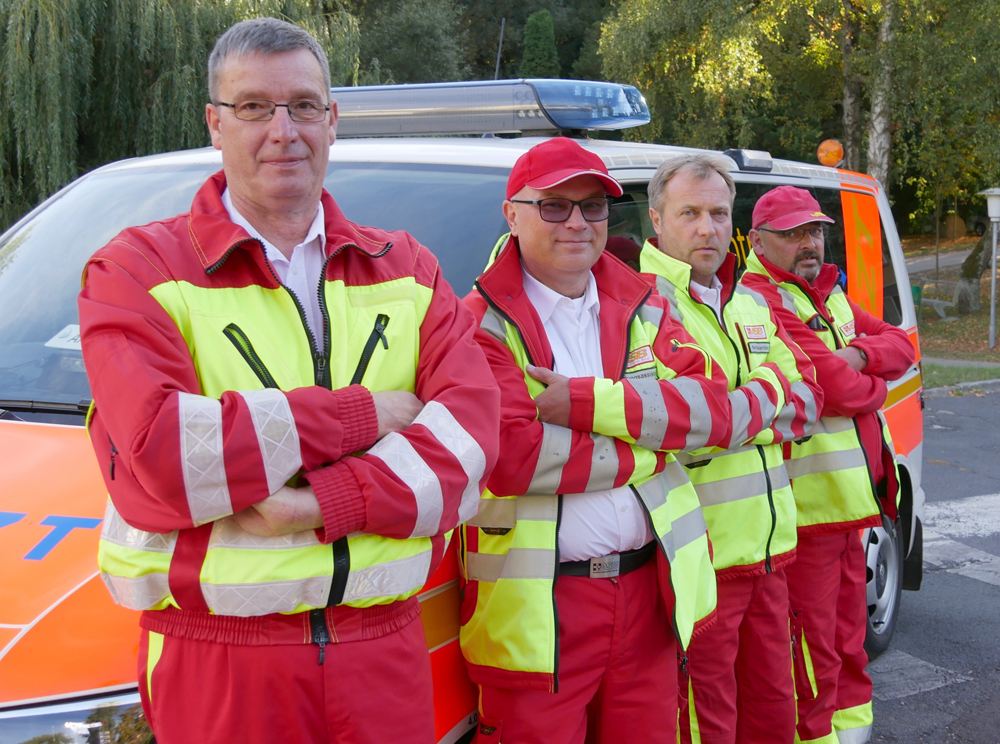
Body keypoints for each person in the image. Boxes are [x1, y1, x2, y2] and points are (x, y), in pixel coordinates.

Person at [78, 17, 499, 744]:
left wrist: (317, 503)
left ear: (332, 120)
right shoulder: (136, 270)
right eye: (253, 107)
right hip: (222, 659)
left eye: (304, 105)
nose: (283, 129)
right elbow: (167, 455)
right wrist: (368, 416)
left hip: (383, 647)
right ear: (215, 123)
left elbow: (470, 450)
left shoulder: (407, 268)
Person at [460, 137, 747, 744]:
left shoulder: (641, 301)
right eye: (554, 206)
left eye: (592, 207)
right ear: (512, 213)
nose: (577, 223)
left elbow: (714, 413)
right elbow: (516, 457)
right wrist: (654, 445)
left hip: (649, 594)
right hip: (538, 609)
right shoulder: (479, 321)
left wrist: (585, 403)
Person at [634, 154, 823, 744]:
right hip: (700, 561)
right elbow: (683, 431)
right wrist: (767, 398)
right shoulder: (638, 304)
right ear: (657, 220)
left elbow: (810, 403)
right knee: (706, 721)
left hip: (770, 552)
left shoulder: (747, 299)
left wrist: (735, 409)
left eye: (718, 213)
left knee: (773, 712)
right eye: (689, 213)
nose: (707, 228)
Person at [742, 185, 915, 744]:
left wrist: (861, 356)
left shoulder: (828, 293)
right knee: (811, 648)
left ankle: (852, 732)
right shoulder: (759, 297)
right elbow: (833, 387)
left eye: (814, 230)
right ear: (757, 240)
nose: (808, 243)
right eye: (792, 234)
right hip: (806, 513)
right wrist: (867, 381)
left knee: (848, 638)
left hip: (850, 506)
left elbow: (901, 345)